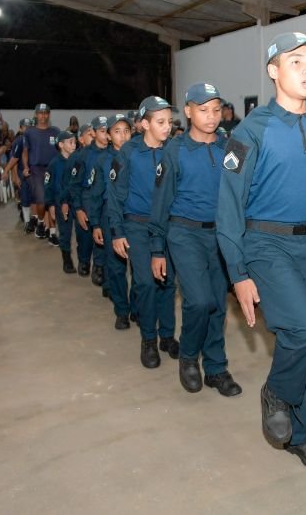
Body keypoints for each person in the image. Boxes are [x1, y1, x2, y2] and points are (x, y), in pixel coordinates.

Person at [217, 32, 306, 471]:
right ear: (274, 70)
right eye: (297, 62)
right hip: (265, 242)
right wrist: (238, 273)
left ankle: (299, 433)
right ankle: (276, 393)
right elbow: (229, 209)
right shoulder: (251, 130)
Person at [148, 87, 243, 389]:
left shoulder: (231, 148)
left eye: (216, 109)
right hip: (184, 233)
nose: (211, 116)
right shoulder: (174, 151)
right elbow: (161, 202)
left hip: (221, 235)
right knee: (198, 301)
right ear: (188, 112)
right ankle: (189, 357)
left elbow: (242, 195)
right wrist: (157, 248)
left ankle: (216, 367)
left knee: (217, 302)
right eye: (203, 110)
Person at [111, 96, 181, 369]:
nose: (167, 127)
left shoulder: (173, 150)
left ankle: (166, 335)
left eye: (170, 122)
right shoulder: (128, 152)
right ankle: (148, 340)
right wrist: (117, 231)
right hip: (137, 226)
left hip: (168, 226)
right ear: (143, 124)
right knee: (146, 283)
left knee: (167, 282)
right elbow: (116, 196)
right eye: (161, 122)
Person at [86, 114, 134, 328]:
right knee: (115, 267)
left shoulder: (139, 156)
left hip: (134, 216)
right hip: (109, 217)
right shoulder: (102, 161)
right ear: (108, 135)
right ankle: (122, 310)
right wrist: (95, 223)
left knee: (139, 268)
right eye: (117, 131)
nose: (123, 136)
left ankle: (139, 308)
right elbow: (96, 194)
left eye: (126, 131)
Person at [69, 116, 110, 287]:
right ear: (93, 132)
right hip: (87, 195)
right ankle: (84, 259)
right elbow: (75, 184)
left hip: (104, 197)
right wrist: (78, 208)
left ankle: (99, 266)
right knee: (85, 233)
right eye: (102, 131)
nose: (106, 135)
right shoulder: (83, 155)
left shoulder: (113, 152)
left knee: (101, 233)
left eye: (107, 130)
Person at [22, 104, 61, 239]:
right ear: (36, 115)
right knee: (42, 200)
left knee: (53, 202)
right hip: (36, 170)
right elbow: (25, 151)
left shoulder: (56, 131)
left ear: (49, 115)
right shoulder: (29, 132)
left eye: (45, 113)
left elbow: (61, 150)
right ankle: (39, 221)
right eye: (40, 113)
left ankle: (52, 232)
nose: (43, 115)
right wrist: (26, 167)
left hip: (53, 169)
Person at [45, 131, 78, 270]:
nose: (74, 145)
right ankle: (66, 259)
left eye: (75, 142)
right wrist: (51, 205)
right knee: (65, 232)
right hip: (60, 203)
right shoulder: (54, 164)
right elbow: (48, 186)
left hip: (77, 202)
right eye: (70, 142)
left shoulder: (78, 160)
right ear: (61, 144)